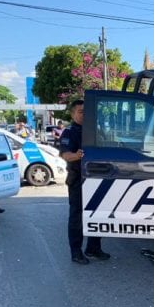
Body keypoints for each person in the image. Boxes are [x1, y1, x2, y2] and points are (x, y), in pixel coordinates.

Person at [59, 99, 110, 264]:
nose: (84, 114)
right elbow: (65, 154)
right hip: (78, 180)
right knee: (77, 216)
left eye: (86, 111)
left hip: (96, 177)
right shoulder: (69, 132)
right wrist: (77, 155)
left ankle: (93, 248)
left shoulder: (96, 130)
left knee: (98, 213)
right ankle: (76, 252)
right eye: (81, 112)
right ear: (73, 113)